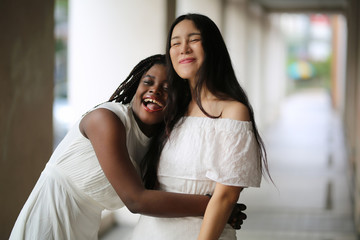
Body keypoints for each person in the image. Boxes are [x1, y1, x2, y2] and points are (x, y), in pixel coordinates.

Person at [9, 54, 246, 240]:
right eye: (148, 82)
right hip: (47, 224)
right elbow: (137, 200)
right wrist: (214, 206)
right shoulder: (106, 120)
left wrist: (220, 209)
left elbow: (161, 195)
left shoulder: (154, 145)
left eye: (167, 88)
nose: (155, 90)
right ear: (136, 87)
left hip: (83, 231)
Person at [132, 14, 272, 240]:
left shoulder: (232, 111)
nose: (183, 48)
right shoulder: (171, 109)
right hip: (148, 232)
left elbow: (225, 197)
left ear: (212, 47)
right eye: (175, 43)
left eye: (193, 40)